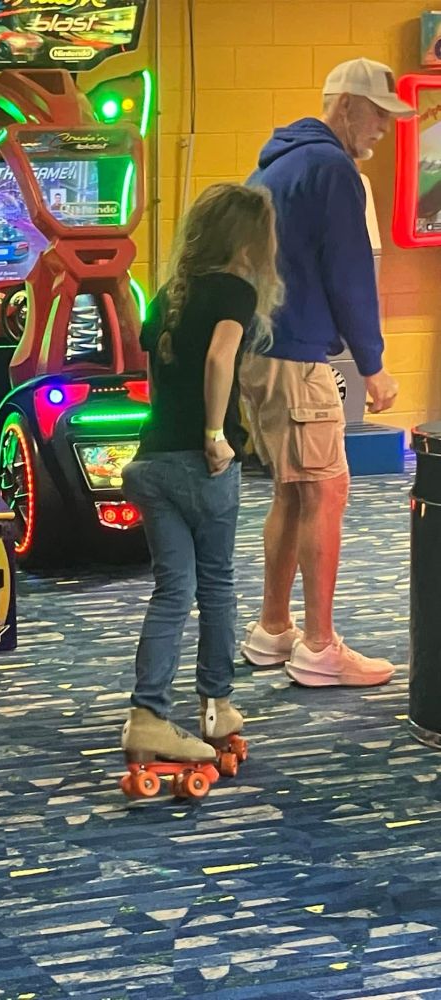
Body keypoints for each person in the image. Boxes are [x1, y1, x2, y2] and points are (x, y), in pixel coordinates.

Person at [239, 58, 413, 687]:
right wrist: (374, 365)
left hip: (261, 348)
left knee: (294, 488)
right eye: (377, 115)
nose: (383, 130)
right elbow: (350, 273)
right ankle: (318, 647)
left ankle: (273, 628)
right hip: (295, 355)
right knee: (326, 490)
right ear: (345, 106)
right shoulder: (333, 169)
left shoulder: (278, 162)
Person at [121, 183, 283, 765]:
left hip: (152, 462)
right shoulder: (235, 290)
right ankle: (217, 703)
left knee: (172, 591)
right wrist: (215, 434)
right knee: (216, 585)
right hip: (201, 465)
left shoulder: (169, 294)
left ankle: (147, 717)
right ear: (248, 241)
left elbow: (154, 377)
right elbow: (220, 357)